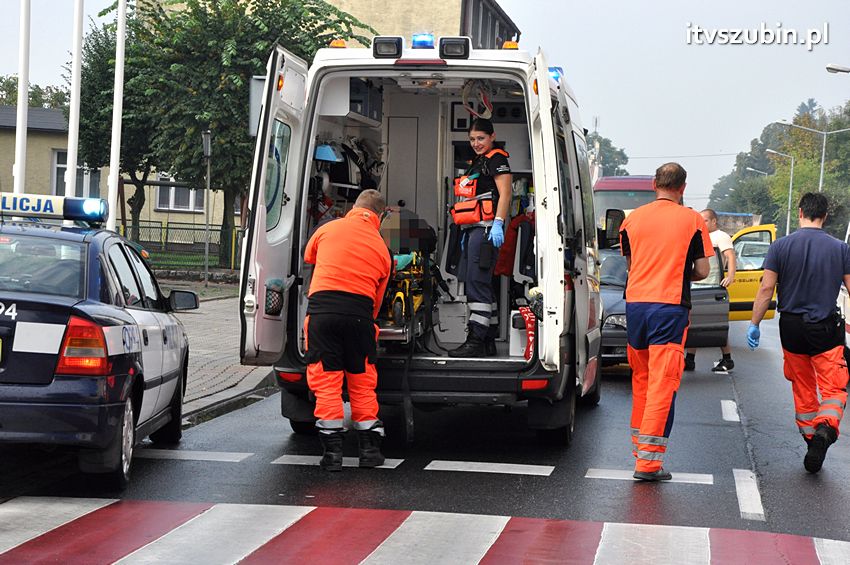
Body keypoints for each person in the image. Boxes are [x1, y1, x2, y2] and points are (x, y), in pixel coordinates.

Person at [619, 163, 713, 481]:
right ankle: (647, 464)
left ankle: (640, 452)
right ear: (683, 188)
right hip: (668, 307)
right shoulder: (692, 220)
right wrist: (676, 269)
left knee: (642, 380)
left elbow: (633, 264)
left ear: (654, 184)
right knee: (663, 384)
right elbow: (702, 271)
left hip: (635, 307)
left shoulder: (631, 220)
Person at [748, 192, 850, 474]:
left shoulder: (780, 247)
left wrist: (755, 323)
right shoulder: (840, 249)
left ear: (800, 211)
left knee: (802, 386)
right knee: (833, 387)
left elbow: (766, 289)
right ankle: (825, 430)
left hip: (790, 327)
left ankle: (810, 440)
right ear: (825, 216)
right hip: (825, 328)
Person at [303, 189, 392, 471]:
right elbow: (377, 301)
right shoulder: (382, 249)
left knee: (327, 382)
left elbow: (309, 258)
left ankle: (332, 456)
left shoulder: (328, 228)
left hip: (322, 314)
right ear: (380, 216)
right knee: (362, 381)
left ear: (354, 207)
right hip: (359, 317)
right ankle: (369, 452)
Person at [449, 117, 513, 358]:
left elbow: (505, 194)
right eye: (472, 139)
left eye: (481, 138)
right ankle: (488, 339)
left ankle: (476, 338)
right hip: (475, 229)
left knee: (477, 283)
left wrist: (498, 223)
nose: (476, 143)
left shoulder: (497, 160)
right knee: (479, 282)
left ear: (492, 136)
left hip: (487, 229)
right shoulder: (479, 161)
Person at [685, 208, 737, 372]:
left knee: (714, 324)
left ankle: (727, 359)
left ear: (714, 221)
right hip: (697, 283)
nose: (702, 223)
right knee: (696, 323)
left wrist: (730, 276)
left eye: (705, 220)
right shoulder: (699, 235)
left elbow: (730, 256)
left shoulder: (721, 237)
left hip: (711, 284)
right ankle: (690, 359)